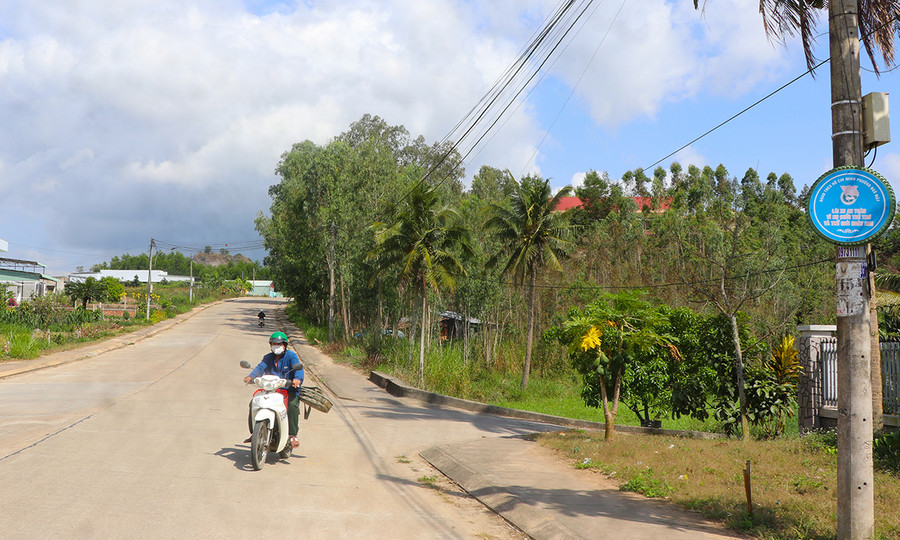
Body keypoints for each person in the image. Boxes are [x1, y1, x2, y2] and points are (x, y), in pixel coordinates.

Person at [243, 331, 304, 448]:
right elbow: (260, 368)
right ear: (270, 345)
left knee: (292, 406)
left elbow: (298, 369)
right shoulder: (268, 357)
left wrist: (297, 379)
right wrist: (251, 376)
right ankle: (254, 433)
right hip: (271, 390)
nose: (277, 346)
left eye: (279, 344)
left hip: (288, 390)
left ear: (285, 345)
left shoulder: (291, 356)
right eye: (274, 343)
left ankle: (292, 435)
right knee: (253, 404)